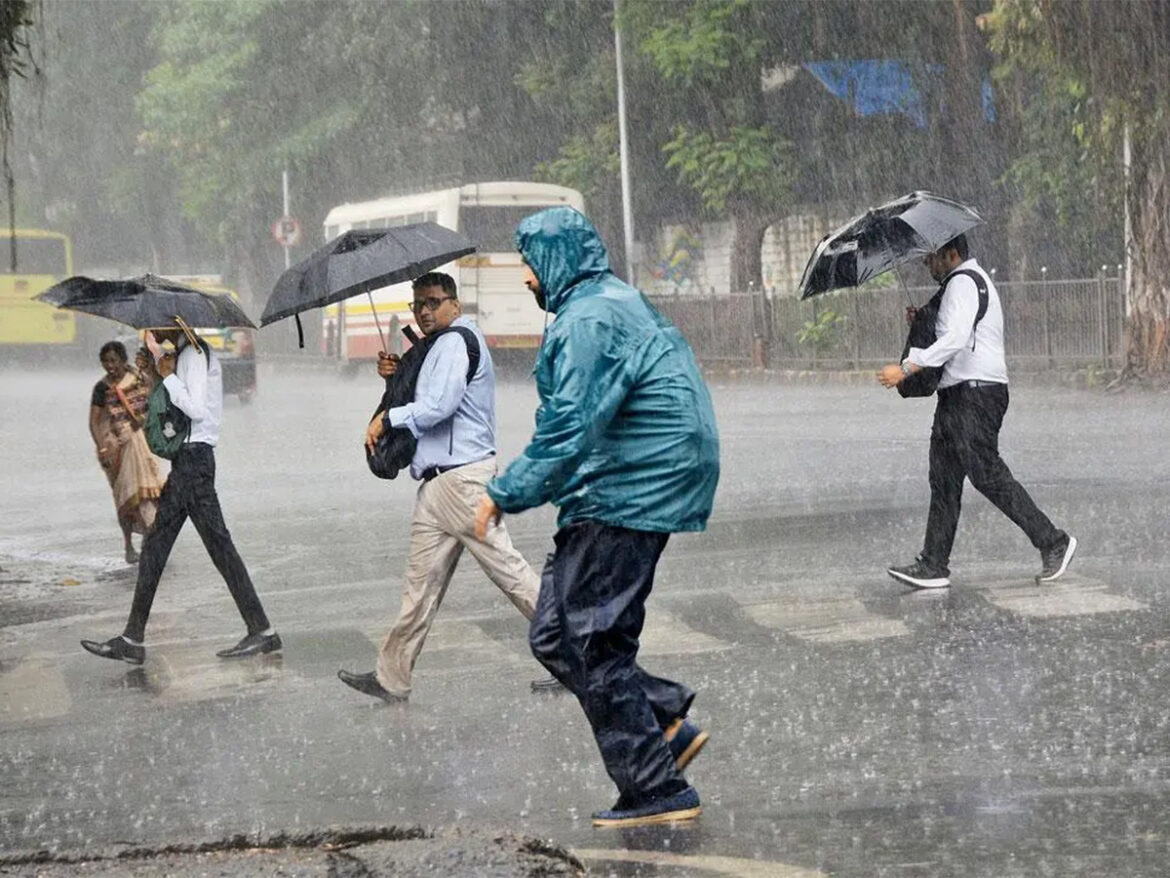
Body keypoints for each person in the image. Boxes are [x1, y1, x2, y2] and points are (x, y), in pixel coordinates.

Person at [475, 207, 720, 828]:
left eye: (530, 265)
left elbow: (570, 426)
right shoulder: (600, 304)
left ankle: (656, 789)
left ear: (555, 261)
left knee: (595, 640)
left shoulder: (587, 320)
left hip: (630, 488)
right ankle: (661, 720)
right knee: (555, 635)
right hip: (620, 483)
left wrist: (505, 491)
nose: (527, 280)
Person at [338, 272, 555, 703]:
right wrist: (395, 376)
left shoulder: (456, 340)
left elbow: (440, 405)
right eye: (417, 304)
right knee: (420, 587)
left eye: (433, 302)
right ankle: (391, 676)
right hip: (438, 486)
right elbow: (425, 391)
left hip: (463, 482)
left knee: (511, 574)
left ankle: (583, 656)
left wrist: (389, 418)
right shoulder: (439, 344)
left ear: (454, 303)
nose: (424, 311)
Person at [877, 233, 1077, 589]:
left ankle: (1054, 542)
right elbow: (953, 333)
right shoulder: (963, 283)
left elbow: (954, 340)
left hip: (976, 395)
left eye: (932, 257)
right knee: (944, 481)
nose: (927, 264)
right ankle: (934, 564)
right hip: (957, 395)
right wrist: (925, 321)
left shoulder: (964, 283)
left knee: (987, 475)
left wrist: (907, 368)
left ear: (952, 254)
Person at [81, 322, 280, 665]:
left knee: (206, 548)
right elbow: (173, 405)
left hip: (194, 462)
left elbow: (196, 409)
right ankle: (134, 638)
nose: (151, 333)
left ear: (173, 324)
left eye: (155, 327)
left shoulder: (196, 354)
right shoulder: (185, 355)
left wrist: (166, 375)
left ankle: (260, 631)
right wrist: (156, 375)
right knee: (166, 546)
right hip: (188, 463)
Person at [89, 340, 165, 564]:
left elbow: (153, 403)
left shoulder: (138, 378)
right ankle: (128, 545)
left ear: (123, 360)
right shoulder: (101, 388)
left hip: (140, 442)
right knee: (123, 497)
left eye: (113, 361)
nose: (109, 366)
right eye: (105, 361)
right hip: (115, 450)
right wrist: (102, 446)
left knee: (147, 493)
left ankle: (151, 539)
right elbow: (94, 422)